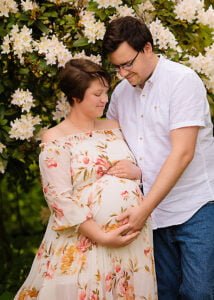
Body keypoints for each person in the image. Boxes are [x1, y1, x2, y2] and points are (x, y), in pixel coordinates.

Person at [15, 58, 157, 300]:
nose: (105, 99)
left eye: (106, 92)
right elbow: (60, 200)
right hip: (87, 242)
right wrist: (103, 236)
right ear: (75, 97)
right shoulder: (54, 138)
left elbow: (146, 162)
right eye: (97, 94)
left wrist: (138, 171)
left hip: (132, 242)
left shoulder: (113, 127)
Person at [102, 16, 214, 300]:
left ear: (148, 48)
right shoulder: (119, 95)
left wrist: (142, 210)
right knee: (162, 293)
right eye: (117, 67)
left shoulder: (182, 81)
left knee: (198, 293)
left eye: (128, 63)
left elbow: (183, 153)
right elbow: (114, 146)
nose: (123, 73)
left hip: (196, 207)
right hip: (153, 214)